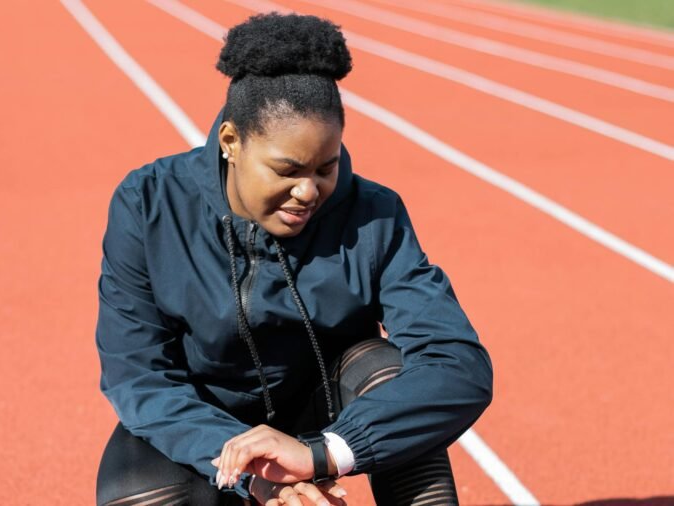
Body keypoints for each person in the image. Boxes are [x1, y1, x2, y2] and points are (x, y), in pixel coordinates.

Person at [95, 12, 492, 506]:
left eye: (327, 167)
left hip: (326, 420)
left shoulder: (373, 213)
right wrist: (256, 471)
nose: (309, 191)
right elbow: (139, 376)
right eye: (287, 170)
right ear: (231, 143)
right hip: (208, 423)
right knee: (137, 492)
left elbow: (457, 363)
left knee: (384, 369)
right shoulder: (149, 204)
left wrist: (324, 453)